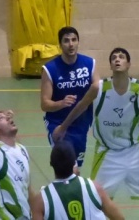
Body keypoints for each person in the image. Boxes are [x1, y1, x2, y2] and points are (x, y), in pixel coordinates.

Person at [53, 47, 139, 220]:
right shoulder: (99, 88)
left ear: (128, 64)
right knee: (97, 199)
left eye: (122, 57)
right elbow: (81, 106)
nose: (117, 59)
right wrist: (63, 126)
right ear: (110, 65)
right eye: (114, 58)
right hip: (107, 153)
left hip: (136, 150)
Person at [40, 26, 99, 172]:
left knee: (75, 170)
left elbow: (99, 91)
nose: (71, 44)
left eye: (74, 40)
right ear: (60, 45)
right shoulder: (50, 69)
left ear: (78, 42)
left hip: (81, 125)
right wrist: (61, 103)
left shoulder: (90, 64)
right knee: (71, 169)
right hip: (59, 125)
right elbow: (45, 104)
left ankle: (70, 194)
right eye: (66, 41)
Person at [32, 141, 125, 220]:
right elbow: (119, 218)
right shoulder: (95, 188)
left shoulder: (41, 200)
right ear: (74, 163)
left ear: (51, 164)